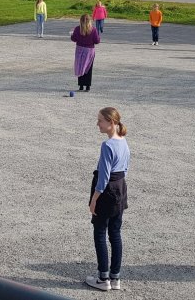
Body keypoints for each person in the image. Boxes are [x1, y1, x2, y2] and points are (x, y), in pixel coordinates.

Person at [85, 107, 130, 292]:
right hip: (120, 189)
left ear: (111, 122)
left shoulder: (107, 145)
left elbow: (103, 177)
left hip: (107, 192)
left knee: (100, 233)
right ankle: (115, 277)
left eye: (100, 121)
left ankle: (103, 278)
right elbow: (125, 169)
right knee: (115, 233)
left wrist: (94, 199)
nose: (97, 124)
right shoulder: (124, 141)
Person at [71, 14, 101, 92]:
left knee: (80, 66)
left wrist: (71, 35)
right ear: (89, 21)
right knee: (88, 67)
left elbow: (74, 39)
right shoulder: (93, 30)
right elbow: (97, 41)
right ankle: (87, 86)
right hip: (89, 51)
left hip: (80, 49)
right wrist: (98, 37)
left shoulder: (77, 29)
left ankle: (81, 85)